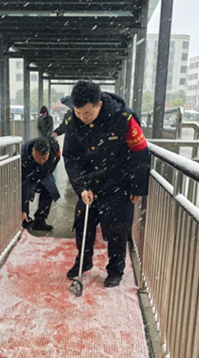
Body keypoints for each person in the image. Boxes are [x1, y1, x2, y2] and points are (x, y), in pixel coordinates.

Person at [61, 80, 150, 288]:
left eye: (87, 114)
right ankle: (83, 262)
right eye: (78, 113)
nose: (82, 118)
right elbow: (70, 156)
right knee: (83, 223)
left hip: (118, 180)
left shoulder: (123, 118)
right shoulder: (72, 119)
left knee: (117, 228)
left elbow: (140, 151)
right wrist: (81, 187)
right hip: (90, 181)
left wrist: (136, 186)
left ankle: (115, 270)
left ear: (99, 104)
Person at [22, 137, 61, 231]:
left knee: (49, 188)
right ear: (33, 151)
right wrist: (23, 210)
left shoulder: (54, 147)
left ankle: (40, 220)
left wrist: (48, 171)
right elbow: (23, 185)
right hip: (27, 174)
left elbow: (58, 157)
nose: (42, 161)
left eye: (44, 158)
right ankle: (25, 219)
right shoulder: (23, 155)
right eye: (39, 158)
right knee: (26, 192)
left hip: (44, 172)